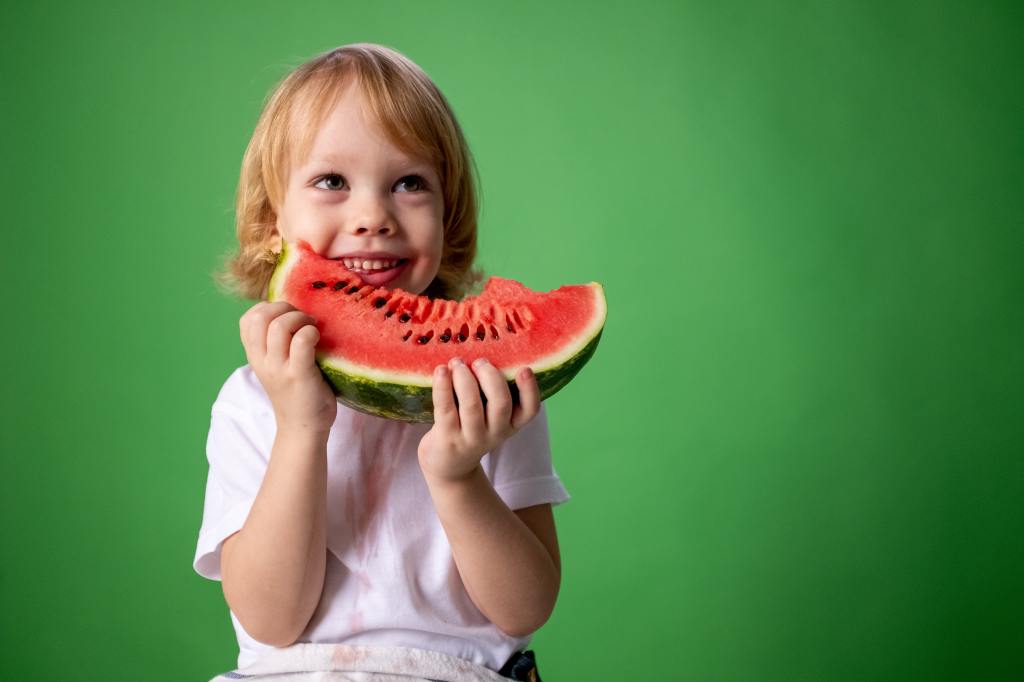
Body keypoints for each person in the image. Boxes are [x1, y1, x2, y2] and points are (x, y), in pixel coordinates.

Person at [193, 43, 569, 681]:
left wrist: (458, 477)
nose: (373, 217)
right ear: (270, 223)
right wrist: (301, 428)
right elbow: (270, 619)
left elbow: (526, 607)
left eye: (410, 183)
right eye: (331, 181)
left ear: (448, 220)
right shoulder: (251, 402)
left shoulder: (490, 397)